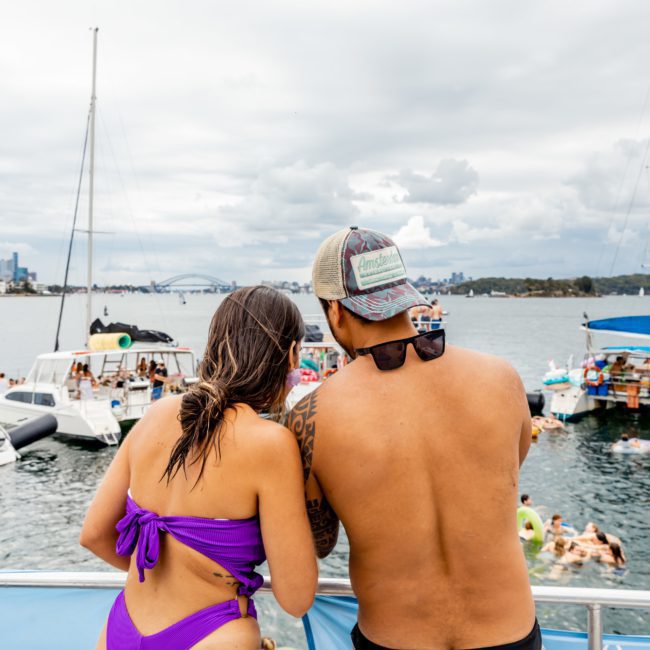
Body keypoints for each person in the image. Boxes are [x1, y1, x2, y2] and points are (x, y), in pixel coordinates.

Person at [289, 226, 539, 650]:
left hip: (395, 640)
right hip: (509, 634)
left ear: (334, 310)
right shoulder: (502, 379)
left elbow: (321, 541)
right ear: (403, 292)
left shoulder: (312, 416)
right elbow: (508, 471)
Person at [80, 286, 317, 650]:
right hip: (213, 636)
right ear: (289, 354)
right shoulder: (269, 443)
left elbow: (95, 534)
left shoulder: (155, 414)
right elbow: (296, 597)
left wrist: (164, 568)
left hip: (121, 630)